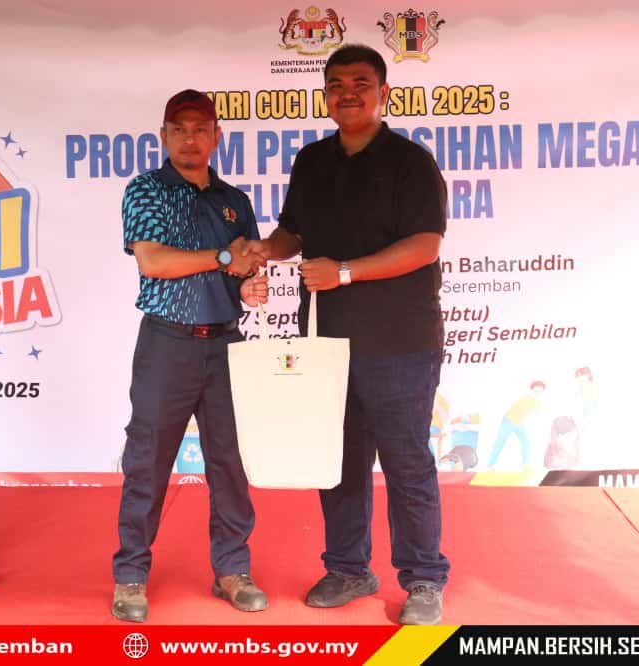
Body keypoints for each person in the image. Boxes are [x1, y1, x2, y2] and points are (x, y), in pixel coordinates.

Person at [244, 44, 450, 624]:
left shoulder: (410, 162)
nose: (348, 93)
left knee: (407, 462)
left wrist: (345, 272)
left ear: (384, 93)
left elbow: (425, 245)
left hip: (400, 341)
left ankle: (424, 578)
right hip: (326, 341)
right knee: (337, 460)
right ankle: (348, 568)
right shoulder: (312, 160)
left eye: (360, 82)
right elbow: (293, 232)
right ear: (326, 96)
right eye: (336, 84)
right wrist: (265, 250)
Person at [111, 89, 270, 623]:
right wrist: (224, 257)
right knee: (148, 461)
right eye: (179, 129)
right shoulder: (147, 190)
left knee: (230, 462)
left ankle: (232, 570)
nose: (189, 139)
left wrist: (248, 285)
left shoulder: (234, 201)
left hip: (226, 343)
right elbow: (154, 263)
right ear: (163, 136)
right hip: (168, 344)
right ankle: (131, 574)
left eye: (200, 129)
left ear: (216, 137)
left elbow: (244, 269)